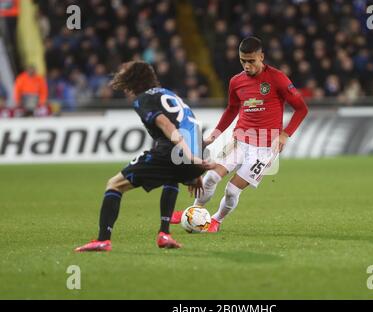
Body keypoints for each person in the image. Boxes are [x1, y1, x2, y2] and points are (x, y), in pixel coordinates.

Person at [171, 36, 309, 232]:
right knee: (210, 178)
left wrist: (285, 134)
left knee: (231, 190)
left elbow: (302, 109)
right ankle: (194, 211)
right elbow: (231, 109)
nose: (246, 65)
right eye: (242, 60)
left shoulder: (277, 78)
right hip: (240, 141)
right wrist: (214, 135)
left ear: (261, 57)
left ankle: (216, 220)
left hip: (265, 148)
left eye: (251, 61)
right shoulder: (236, 82)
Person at [75, 61, 214, 252]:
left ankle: (103, 240)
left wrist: (189, 156)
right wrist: (194, 169)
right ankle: (164, 234)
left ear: (132, 79)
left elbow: (166, 125)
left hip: (176, 151)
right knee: (171, 177)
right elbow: (191, 125)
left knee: (114, 184)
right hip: (190, 153)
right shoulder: (169, 94)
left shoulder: (143, 99)